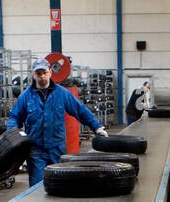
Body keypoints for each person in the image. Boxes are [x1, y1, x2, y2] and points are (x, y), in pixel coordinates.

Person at [6, 57, 106, 185]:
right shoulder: (26, 96)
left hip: (57, 149)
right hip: (36, 151)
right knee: (37, 188)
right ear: (33, 75)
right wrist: (11, 136)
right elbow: (15, 117)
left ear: (50, 72)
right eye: (38, 73)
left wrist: (97, 127)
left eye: (44, 73)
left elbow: (80, 110)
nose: (42, 76)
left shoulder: (62, 94)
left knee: (59, 185)